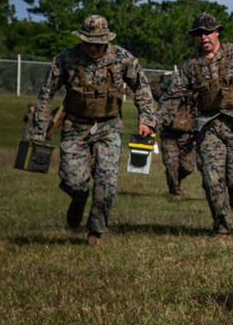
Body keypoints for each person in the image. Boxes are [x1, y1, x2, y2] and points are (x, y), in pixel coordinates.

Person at [25, 15, 156, 246]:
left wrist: (146, 120)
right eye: (88, 43)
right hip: (75, 127)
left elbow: (143, 88)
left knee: (107, 184)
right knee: (73, 180)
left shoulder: (123, 59)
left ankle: (95, 231)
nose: (93, 48)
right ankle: (79, 197)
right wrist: (37, 131)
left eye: (98, 43)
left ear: (106, 40)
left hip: (109, 128)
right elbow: (47, 92)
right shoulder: (67, 59)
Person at [155, 13, 233, 237]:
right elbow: (172, 97)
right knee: (212, 179)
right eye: (199, 33)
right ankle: (222, 227)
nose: (204, 37)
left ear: (217, 32)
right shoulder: (191, 66)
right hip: (208, 128)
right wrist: (153, 122)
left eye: (207, 32)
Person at [152, 70, 196, 198]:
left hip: (187, 136)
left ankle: (177, 179)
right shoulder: (166, 95)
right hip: (169, 134)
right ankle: (174, 189)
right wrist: (162, 77)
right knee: (171, 163)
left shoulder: (194, 97)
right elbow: (151, 88)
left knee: (188, 167)